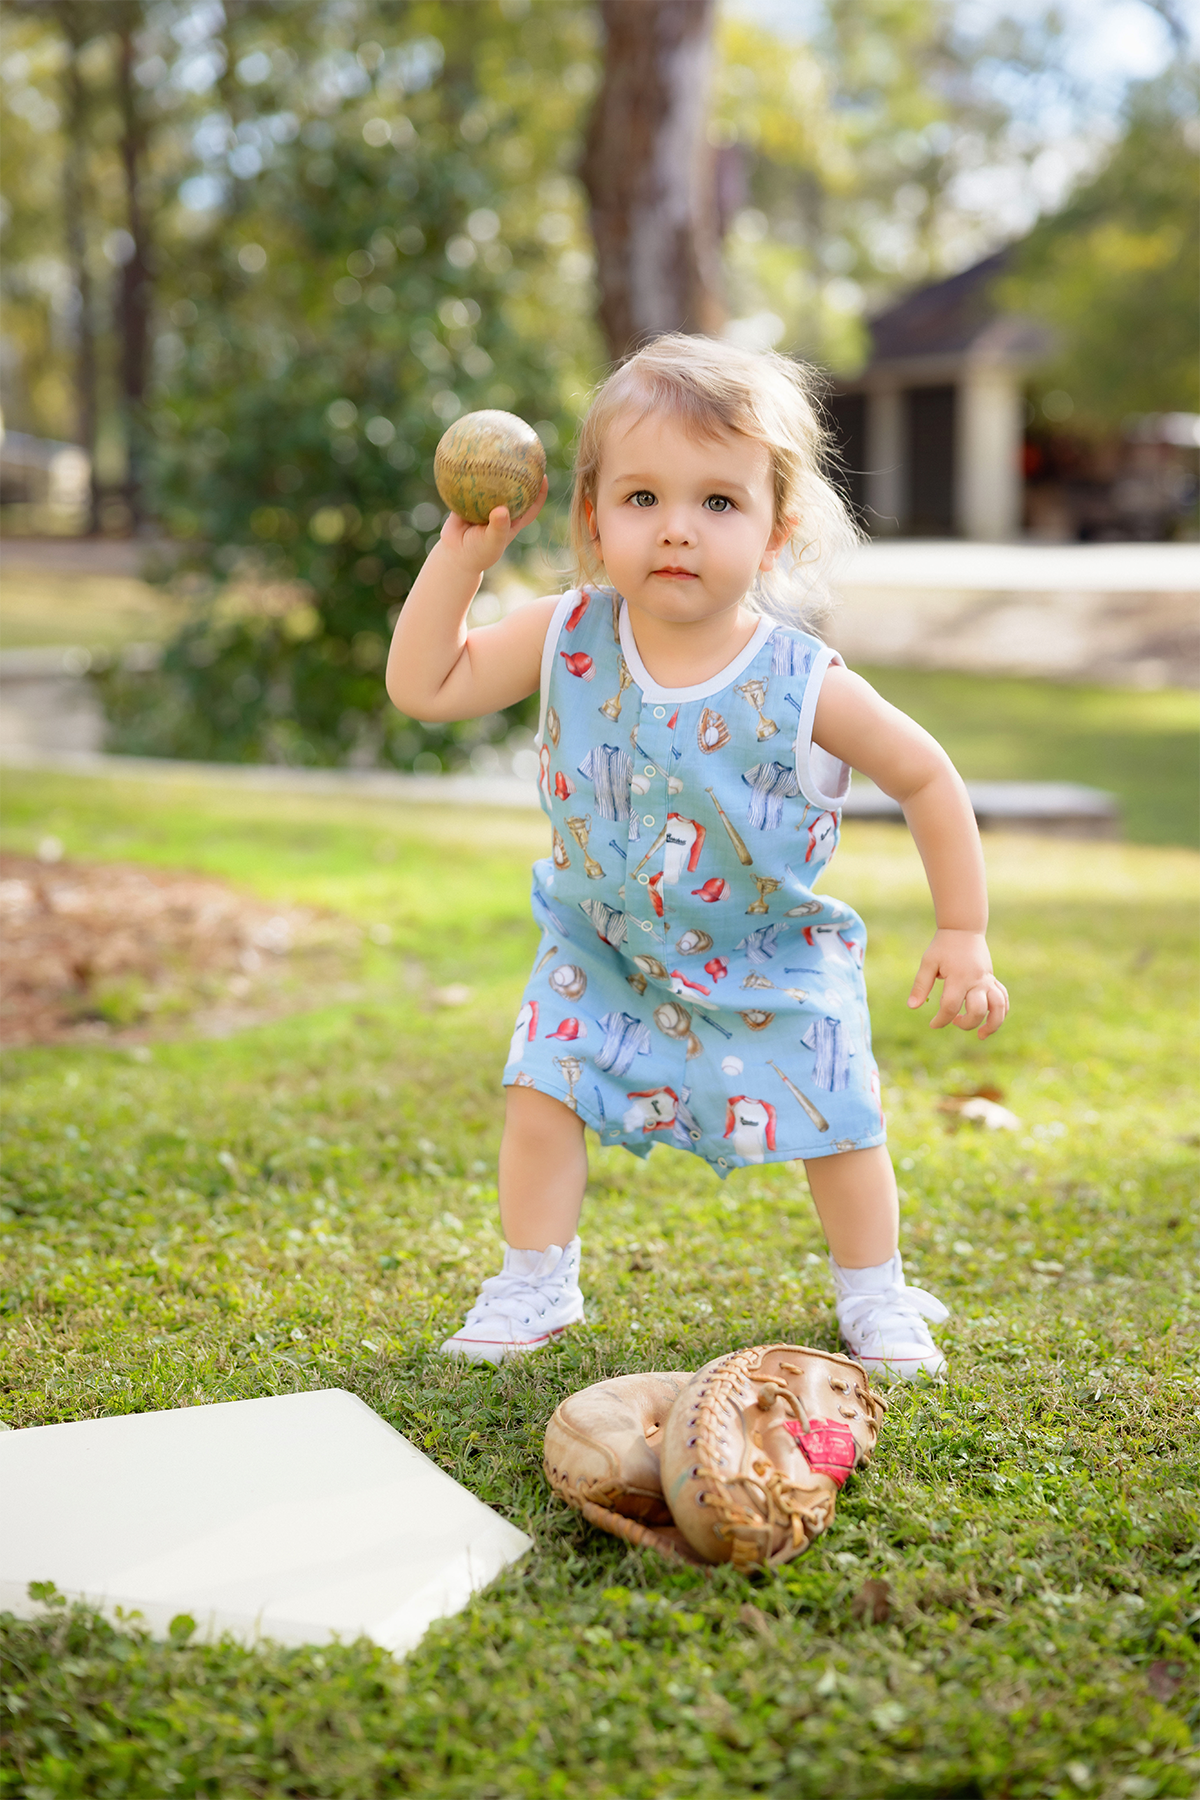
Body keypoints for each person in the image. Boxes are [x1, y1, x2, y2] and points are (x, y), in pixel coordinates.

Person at [386, 335, 1008, 1379]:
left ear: (776, 531)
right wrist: (463, 557)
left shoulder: (802, 678)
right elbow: (427, 685)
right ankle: (535, 1280)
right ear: (592, 518)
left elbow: (929, 776)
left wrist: (964, 931)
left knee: (840, 1124)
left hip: (768, 953)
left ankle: (877, 1295)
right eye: (642, 499)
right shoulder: (567, 634)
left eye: (719, 503)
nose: (677, 530)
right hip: (605, 949)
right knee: (541, 1087)